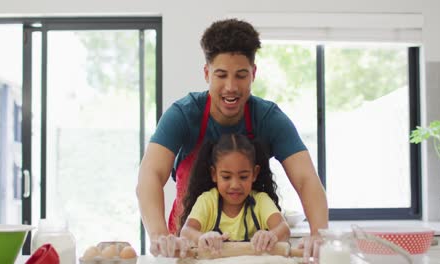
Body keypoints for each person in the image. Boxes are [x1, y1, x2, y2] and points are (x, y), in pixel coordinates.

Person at [136, 18, 328, 261]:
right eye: (221, 75)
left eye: (240, 75)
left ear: (253, 74)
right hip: (189, 251)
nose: (231, 87)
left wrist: (319, 234)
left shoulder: (268, 118)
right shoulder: (183, 115)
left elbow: (306, 179)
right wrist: (159, 235)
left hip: (251, 254)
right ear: (207, 73)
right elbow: (149, 175)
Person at [180, 134, 290, 255]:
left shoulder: (261, 201)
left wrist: (270, 235)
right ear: (214, 174)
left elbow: (284, 229)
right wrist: (201, 238)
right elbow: (186, 231)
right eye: (226, 177)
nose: (235, 185)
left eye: (243, 177)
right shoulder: (207, 201)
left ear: (254, 173)